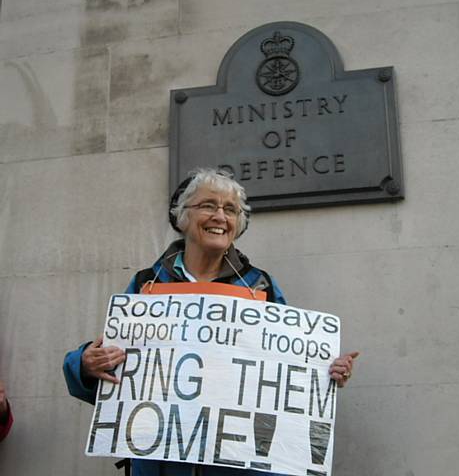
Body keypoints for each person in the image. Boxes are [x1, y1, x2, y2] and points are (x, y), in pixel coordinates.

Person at [63, 168, 357, 476]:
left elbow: (286, 374)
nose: (220, 216)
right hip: (162, 463)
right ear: (182, 217)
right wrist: (85, 363)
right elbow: (117, 374)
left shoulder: (261, 286)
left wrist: (325, 372)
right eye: (208, 206)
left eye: (230, 209)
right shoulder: (146, 284)